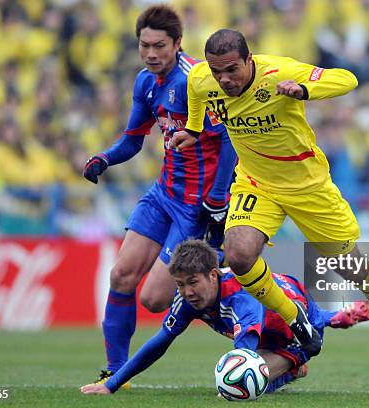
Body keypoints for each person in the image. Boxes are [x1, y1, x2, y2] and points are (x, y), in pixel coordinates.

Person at [170, 29, 369, 371]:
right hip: (256, 182)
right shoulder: (203, 78)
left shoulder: (280, 73)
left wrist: (304, 90)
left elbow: (347, 79)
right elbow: (197, 92)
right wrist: (196, 129)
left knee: (353, 268)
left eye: (232, 70)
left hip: (306, 184)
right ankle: (296, 317)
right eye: (218, 72)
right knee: (238, 254)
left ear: (250, 59)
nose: (224, 79)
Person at [82, 6, 236, 386]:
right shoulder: (145, 82)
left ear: (177, 44)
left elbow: (231, 139)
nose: (151, 53)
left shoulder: (197, 80)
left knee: (153, 299)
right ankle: (117, 371)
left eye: (159, 45)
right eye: (144, 45)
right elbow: (133, 140)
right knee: (120, 275)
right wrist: (105, 157)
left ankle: (252, 323)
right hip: (163, 193)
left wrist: (217, 198)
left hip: (194, 205)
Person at [80, 240, 369, 395]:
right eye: (180, 285)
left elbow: (244, 353)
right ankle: (338, 318)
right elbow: (159, 343)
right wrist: (111, 384)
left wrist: (232, 388)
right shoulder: (188, 299)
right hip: (282, 307)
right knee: (242, 379)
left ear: (212, 274)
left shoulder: (242, 299)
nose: (187, 292)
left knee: (241, 386)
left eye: (192, 282)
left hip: (299, 338)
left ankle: (294, 366)